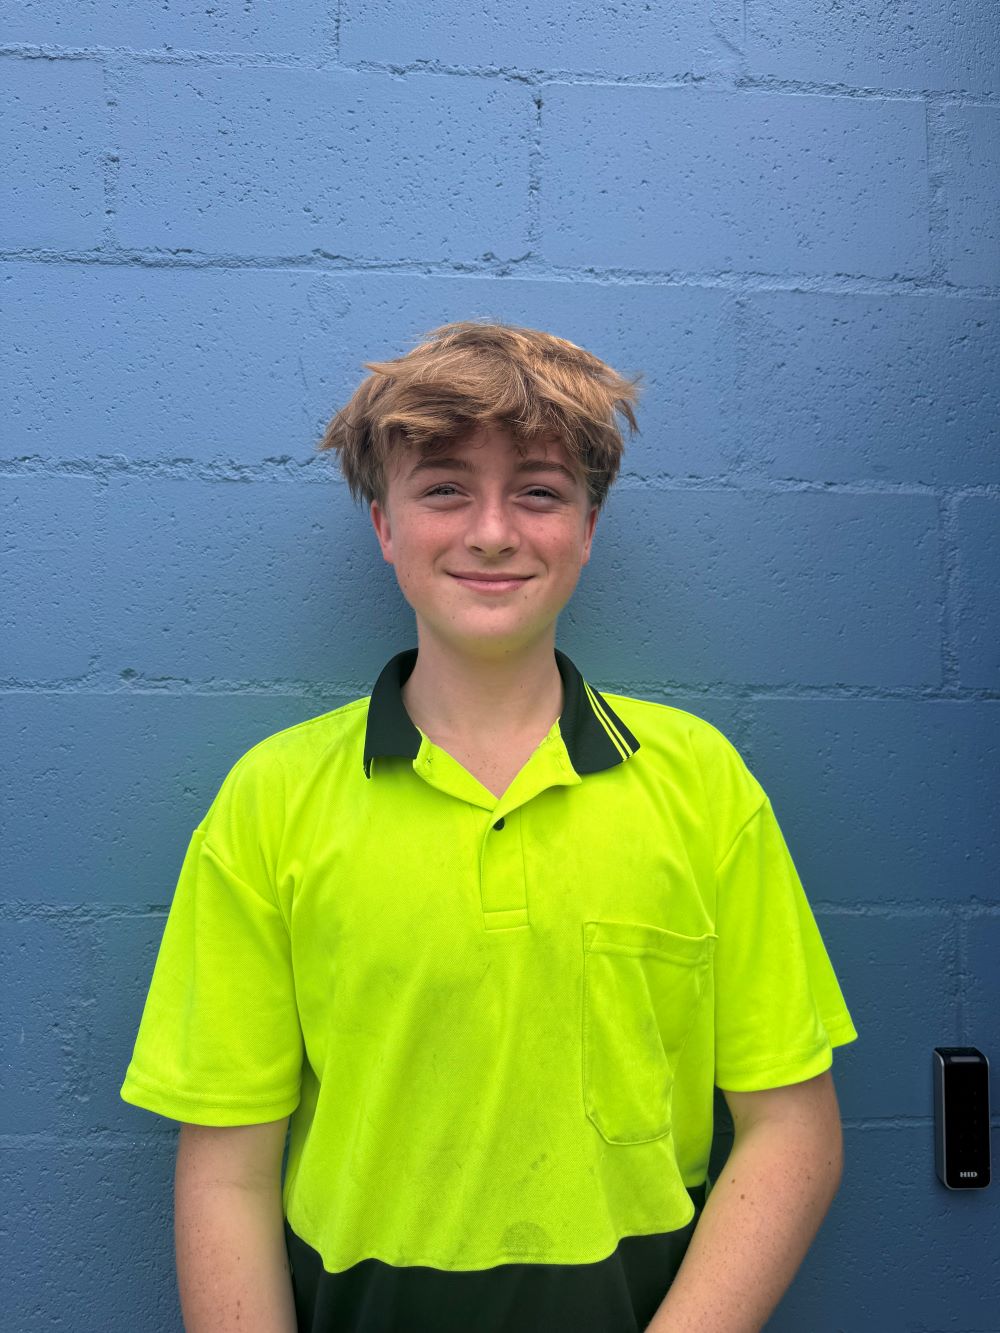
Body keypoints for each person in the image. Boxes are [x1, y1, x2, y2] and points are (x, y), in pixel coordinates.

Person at [121, 319, 858, 1333]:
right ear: (384, 525)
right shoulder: (273, 798)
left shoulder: (700, 784)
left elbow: (792, 1129)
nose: (494, 531)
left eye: (539, 492)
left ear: (588, 527)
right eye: (444, 489)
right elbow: (226, 1173)